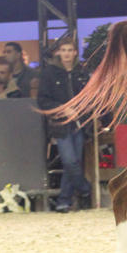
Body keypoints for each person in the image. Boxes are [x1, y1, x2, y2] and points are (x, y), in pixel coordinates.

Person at [37, 39, 92, 212]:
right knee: (70, 161)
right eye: (63, 50)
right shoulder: (49, 73)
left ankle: (64, 200)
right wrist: (63, 109)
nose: (67, 53)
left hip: (80, 123)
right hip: (61, 124)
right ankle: (85, 190)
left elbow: (89, 98)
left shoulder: (81, 72)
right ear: (58, 52)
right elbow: (43, 100)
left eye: (70, 50)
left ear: (75, 52)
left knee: (73, 162)